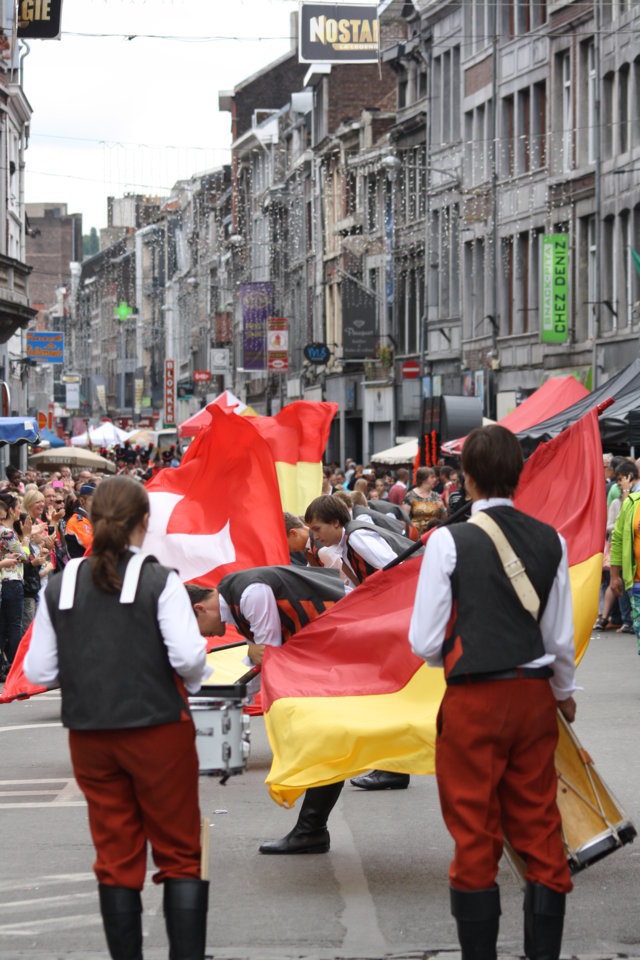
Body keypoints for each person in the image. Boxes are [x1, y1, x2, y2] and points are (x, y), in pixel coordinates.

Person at [24, 476, 212, 960]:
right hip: (158, 726)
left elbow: (39, 670)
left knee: (115, 854)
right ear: (144, 521)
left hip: (90, 733)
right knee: (179, 851)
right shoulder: (160, 580)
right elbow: (188, 657)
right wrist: (192, 683)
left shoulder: (60, 584)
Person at [409, 425, 576, 960]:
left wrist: (463, 651)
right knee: (540, 827)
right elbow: (558, 638)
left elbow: (424, 641)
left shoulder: (448, 540)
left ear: (468, 477)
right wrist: (564, 692)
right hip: (533, 694)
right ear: (519, 474)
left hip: (474, 695)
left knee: (475, 832)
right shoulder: (552, 540)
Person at [187, 565, 345, 855]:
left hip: (344, 638)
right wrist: (229, 700)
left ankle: (312, 831)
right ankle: (312, 830)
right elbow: (264, 659)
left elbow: (271, 657)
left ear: (199, 609)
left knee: (327, 740)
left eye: (193, 629)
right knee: (328, 741)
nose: (204, 637)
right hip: (332, 649)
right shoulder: (236, 597)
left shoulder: (249, 593)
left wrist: (231, 695)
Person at [304, 494, 413, 790]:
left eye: (317, 529)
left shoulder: (358, 538)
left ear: (335, 522)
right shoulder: (346, 543)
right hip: (390, 618)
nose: (315, 536)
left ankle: (393, 766)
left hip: (396, 617)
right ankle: (392, 765)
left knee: (387, 692)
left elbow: (398, 570)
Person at [403, 466, 446, 533]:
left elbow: (444, 520)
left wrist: (443, 509)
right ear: (424, 479)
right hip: (416, 536)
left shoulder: (436, 496)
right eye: (432, 477)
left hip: (433, 535)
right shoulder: (410, 496)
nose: (435, 479)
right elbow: (404, 520)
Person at [65, 483, 95, 558]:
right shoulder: (76, 521)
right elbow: (92, 546)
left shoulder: (90, 519)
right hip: (82, 563)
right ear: (82, 501)